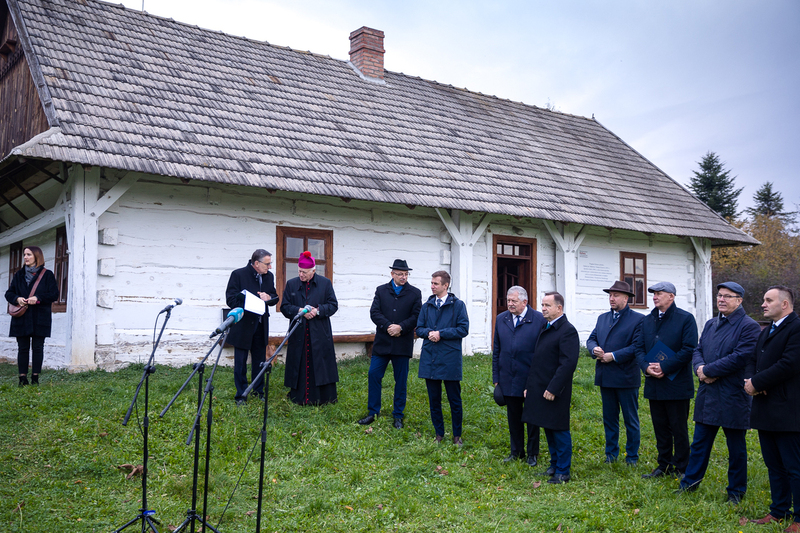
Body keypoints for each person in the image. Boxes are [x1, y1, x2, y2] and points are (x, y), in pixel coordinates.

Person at [677, 281, 760, 502]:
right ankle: (689, 484)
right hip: (708, 393)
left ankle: (736, 492)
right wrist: (700, 369)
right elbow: (698, 349)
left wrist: (710, 370)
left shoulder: (749, 326)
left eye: (727, 296)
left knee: (736, 448)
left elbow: (740, 357)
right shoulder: (711, 323)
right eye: (719, 296)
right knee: (700, 444)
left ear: (739, 300)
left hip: (733, 395)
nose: (721, 299)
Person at [745, 286, 800, 531]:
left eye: (769, 300)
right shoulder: (767, 330)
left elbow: (789, 364)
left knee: (794, 467)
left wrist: (758, 382)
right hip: (765, 407)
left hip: (789, 408)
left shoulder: (797, 328)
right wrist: (750, 381)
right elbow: (753, 361)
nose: (763, 304)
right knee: (774, 464)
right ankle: (778, 511)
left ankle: (799, 518)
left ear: (785, 304)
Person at [635, 281, 698, 479]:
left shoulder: (685, 319)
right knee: (660, 427)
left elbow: (689, 349)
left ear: (671, 296)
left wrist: (665, 366)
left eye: (659, 293)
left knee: (678, 427)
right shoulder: (647, 320)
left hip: (676, 384)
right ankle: (664, 465)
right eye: (653, 294)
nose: (654, 297)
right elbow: (638, 348)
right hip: (654, 383)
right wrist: (646, 366)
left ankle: (681, 467)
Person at [522, 291, 580, 484]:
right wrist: (530, 386)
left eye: (547, 305)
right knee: (547, 426)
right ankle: (554, 465)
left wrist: (554, 388)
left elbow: (568, 364)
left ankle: (563, 471)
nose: (543, 309)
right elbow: (538, 360)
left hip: (556, 390)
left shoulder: (567, 330)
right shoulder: (546, 327)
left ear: (559, 308)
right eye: (542, 305)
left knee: (559, 428)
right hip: (540, 387)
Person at [358, 259, 422, 428]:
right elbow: (374, 312)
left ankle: (398, 415)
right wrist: (388, 326)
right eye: (400, 274)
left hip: (402, 343)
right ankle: (373, 412)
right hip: (383, 343)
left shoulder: (415, 293)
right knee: (374, 375)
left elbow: (417, 315)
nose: (403, 277)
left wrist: (401, 327)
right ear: (392, 274)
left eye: (406, 274)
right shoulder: (381, 290)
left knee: (400, 380)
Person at [586, 280, 644, 465]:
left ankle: (632, 457)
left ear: (626, 298)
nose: (612, 298)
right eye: (610, 295)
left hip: (626, 377)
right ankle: (611, 455)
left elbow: (637, 347)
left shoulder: (638, 319)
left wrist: (614, 356)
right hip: (605, 376)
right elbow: (592, 338)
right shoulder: (603, 318)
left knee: (630, 420)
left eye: (616, 295)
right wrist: (594, 349)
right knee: (610, 419)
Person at [492, 286, 546, 465]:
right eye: (508, 300)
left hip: (530, 377)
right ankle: (516, 451)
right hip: (508, 376)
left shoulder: (538, 319)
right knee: (513, 417)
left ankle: (532, 453)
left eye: (514, 301)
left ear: (525, 302)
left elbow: (542, 352)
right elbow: (497, 350)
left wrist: (536, 380)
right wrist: (496, 378)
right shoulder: (501, 319)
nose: (510, 304)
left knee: (531, 417)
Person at [416, 270, 469, 445]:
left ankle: (457, 435)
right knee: (434, 399)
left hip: (450, 358)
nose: (432, 286)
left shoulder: (458, 305)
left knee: (454, 399)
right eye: (431, 283)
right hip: (430, 357)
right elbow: (419, 328)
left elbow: (463, 329)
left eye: (435, 283)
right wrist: (430, 333)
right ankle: (439, 434)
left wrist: (441, 333)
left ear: (445, 286)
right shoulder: (427, 305)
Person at [280, 251, 339, 406]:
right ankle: (298, 396)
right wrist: (299, 312)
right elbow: (285, 307)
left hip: (319, 333)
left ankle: (323, 398)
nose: (301, 275)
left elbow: (333, 305)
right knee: (299, 363)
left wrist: (317, 311)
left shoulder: (325, 284)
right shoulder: (291, 284)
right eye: (299, 271)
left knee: (320, 363)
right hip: (298, 332)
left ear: (314, 271)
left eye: (304, 272)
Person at [225, 249, 279, 405]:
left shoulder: (269, 277)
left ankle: (258, 391)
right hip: (243, 324)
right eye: (267, 264)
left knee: (259, 360)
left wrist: (269, 297)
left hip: (261, 325)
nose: (269, 267)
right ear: (256, 263)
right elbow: (230, 299)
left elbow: (274, 297)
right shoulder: (238, 275)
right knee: (240, 362)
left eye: (270, 264)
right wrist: (250, 301)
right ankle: (241, 394)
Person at [5, 246, 59, 387]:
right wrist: (17, 299)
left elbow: (54, 294)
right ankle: (22, 378)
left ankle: (35, 378)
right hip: (21, 317)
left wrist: (38, 298)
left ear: (36, 256)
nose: (25, 257)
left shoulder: (47, 275)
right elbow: (9, 293)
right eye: (24, 254)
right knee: (22, 348)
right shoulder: (19, 275)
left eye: (28, 254)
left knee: (38, 347)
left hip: (39, 317)